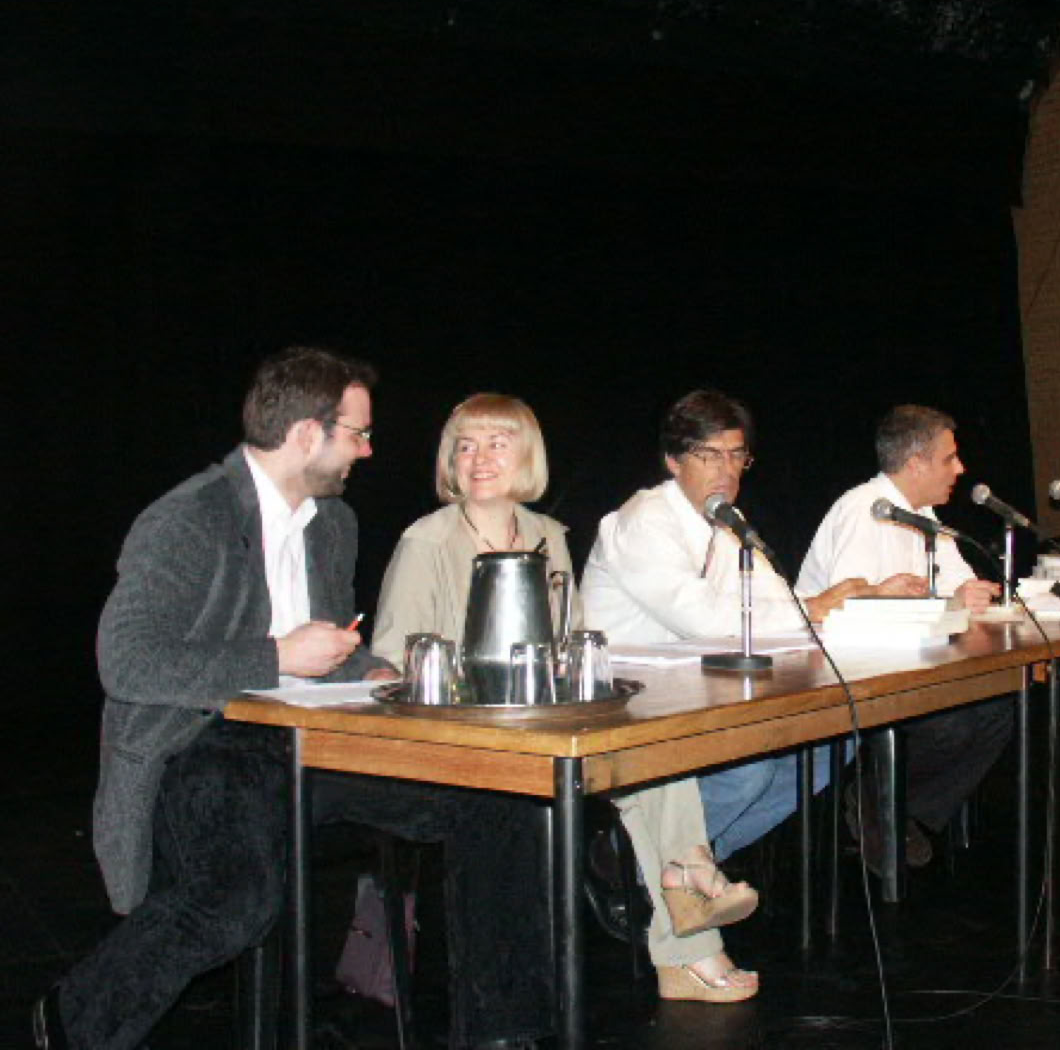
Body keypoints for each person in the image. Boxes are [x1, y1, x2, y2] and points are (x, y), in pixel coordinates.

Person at [34, 349, 550, 1050]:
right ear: (309, 433)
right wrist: (275, 656)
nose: (367, 452)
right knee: (235, 897)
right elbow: (127, 662)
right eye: (358, 434)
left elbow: (331, 645)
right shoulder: (189, 518)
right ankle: (73, 1021)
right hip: (202, 741)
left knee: (498, 796)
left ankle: (502, 1035)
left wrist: (371, 673)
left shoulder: (332, 524)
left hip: (314, 740)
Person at [373, 393, 760, 1005]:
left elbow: (567, 637)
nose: (479, 458)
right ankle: (690, 941)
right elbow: (391, 661)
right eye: (466, 445)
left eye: (498, 443)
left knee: (657, 753)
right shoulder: (426, 541)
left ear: (527, 455)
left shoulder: (547, 535)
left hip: (547, 723)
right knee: (644, 778)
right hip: (469, 738)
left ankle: (689, 898)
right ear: (449, 459)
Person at [582, 389, 867, 866]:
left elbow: (780, 600)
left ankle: (690, 864)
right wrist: (815, 608)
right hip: (626, 698)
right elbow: (704, 622)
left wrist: (848, 605)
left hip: (699, 689)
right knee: (746, 772)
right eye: (709, 455)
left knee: (830, 745)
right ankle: (622, 862)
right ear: (674, 460)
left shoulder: (725, 524)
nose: (726, 470)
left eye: (736, 456)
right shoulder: (644, 520)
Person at [796, 404, 1013, 869]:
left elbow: (958, 589)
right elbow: (848, 611)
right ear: (915, 464)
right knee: (951, 722)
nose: (960, 468)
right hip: (842, 675)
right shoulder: (862, 510)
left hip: (911, 666)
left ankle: (894, 809)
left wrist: (965, 596)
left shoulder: (925, 515)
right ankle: (881, 803)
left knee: (997, 709)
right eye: (949, 458)